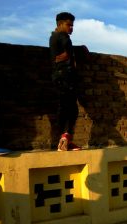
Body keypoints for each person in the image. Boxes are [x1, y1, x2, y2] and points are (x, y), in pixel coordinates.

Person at [49, 12, 83, 151]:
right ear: (60, 24)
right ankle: (63, 140)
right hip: (63, 77)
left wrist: (78, 49)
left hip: (65, 77)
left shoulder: (58, 37)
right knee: (68, 108)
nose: (71, 28)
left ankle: (65, 140)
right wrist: (70, 53)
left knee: (69, 108)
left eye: (72, 25)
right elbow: (58, 56)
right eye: (68, 25)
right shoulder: (60, 37)